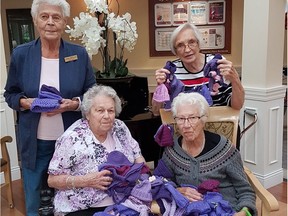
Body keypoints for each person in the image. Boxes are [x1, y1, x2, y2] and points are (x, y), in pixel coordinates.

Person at [4, 0, 96, 215]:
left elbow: (93, 94)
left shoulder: (79, 54)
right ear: (35, 21)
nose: (50, 22)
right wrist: (26, 103)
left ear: (64, 21)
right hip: (35, 143)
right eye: (44, 17)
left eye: (56, 17)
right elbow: (11, 94)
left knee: (73, 197)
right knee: (34, 198)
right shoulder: (22, 54)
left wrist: (75, 104)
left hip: (72, 141)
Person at [47, 85, 147, 216]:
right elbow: (52, 180)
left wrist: (144, 178)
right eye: (100, 110)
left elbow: (138, 156)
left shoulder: (120, 127)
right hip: (81, 208)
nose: (107, 116)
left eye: (111, 111)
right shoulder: (72, 138)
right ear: (87, 113)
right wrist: (85, 181)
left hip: (122, 202)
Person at [159, 92, 257, 215]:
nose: (186, 125)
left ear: (203, 119)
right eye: (181, 119)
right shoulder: (171, 151)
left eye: (193, 118)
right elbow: (162, 181)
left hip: (227, 209)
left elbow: (245, 190)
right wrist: (177, 190)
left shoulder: (224, 149)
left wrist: (244, 212)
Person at [154, 23, 245, 149]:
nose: (187, 49)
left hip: (220, 131)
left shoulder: (217, 64)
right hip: (186, 135)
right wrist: (159, 87)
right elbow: (156, 111)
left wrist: (235, 79)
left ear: (199, 43)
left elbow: (237, 105)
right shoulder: (172, 72)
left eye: (191, 42)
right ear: (175, 51)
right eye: (180, 45)